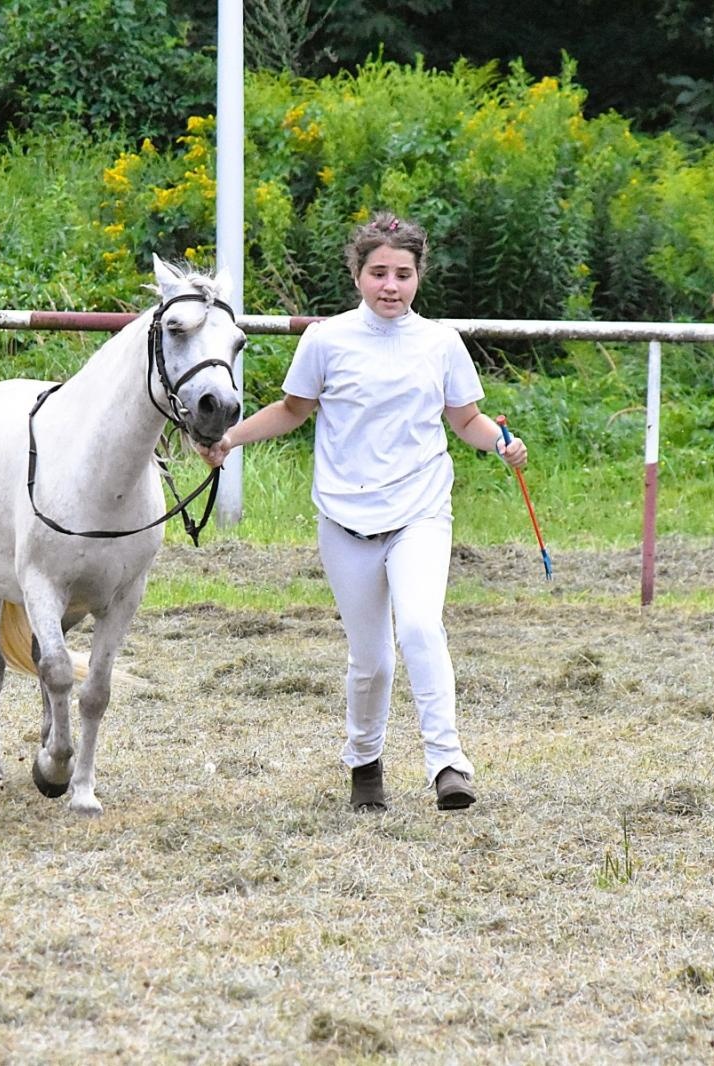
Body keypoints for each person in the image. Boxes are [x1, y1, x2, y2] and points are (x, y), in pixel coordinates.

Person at [193, 212, 528, 812]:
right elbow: (293, 410)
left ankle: (447, 763)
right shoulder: (325, 340)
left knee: (422, 627)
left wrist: (501, 444)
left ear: (419, 276)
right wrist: (230, 439)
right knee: (371, 660)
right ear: (357, 275)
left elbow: (467, 421)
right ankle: (364, 763)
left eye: (402, 274)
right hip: (345, 521)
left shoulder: (441, 344)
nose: (390, 286)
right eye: (379, 273)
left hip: (421, 512)